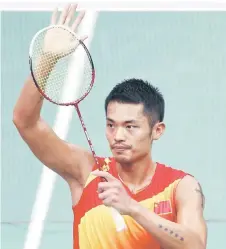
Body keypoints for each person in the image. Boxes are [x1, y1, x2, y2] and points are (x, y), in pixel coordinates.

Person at [13, 4, 207, 249]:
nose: (118, 136)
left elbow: (196, 245)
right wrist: (47, 60)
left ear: (157, 130)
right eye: (111, 125)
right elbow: (25, 122)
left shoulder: (181, 186)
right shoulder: (86, 172)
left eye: (130, 127)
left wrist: (133, 208)